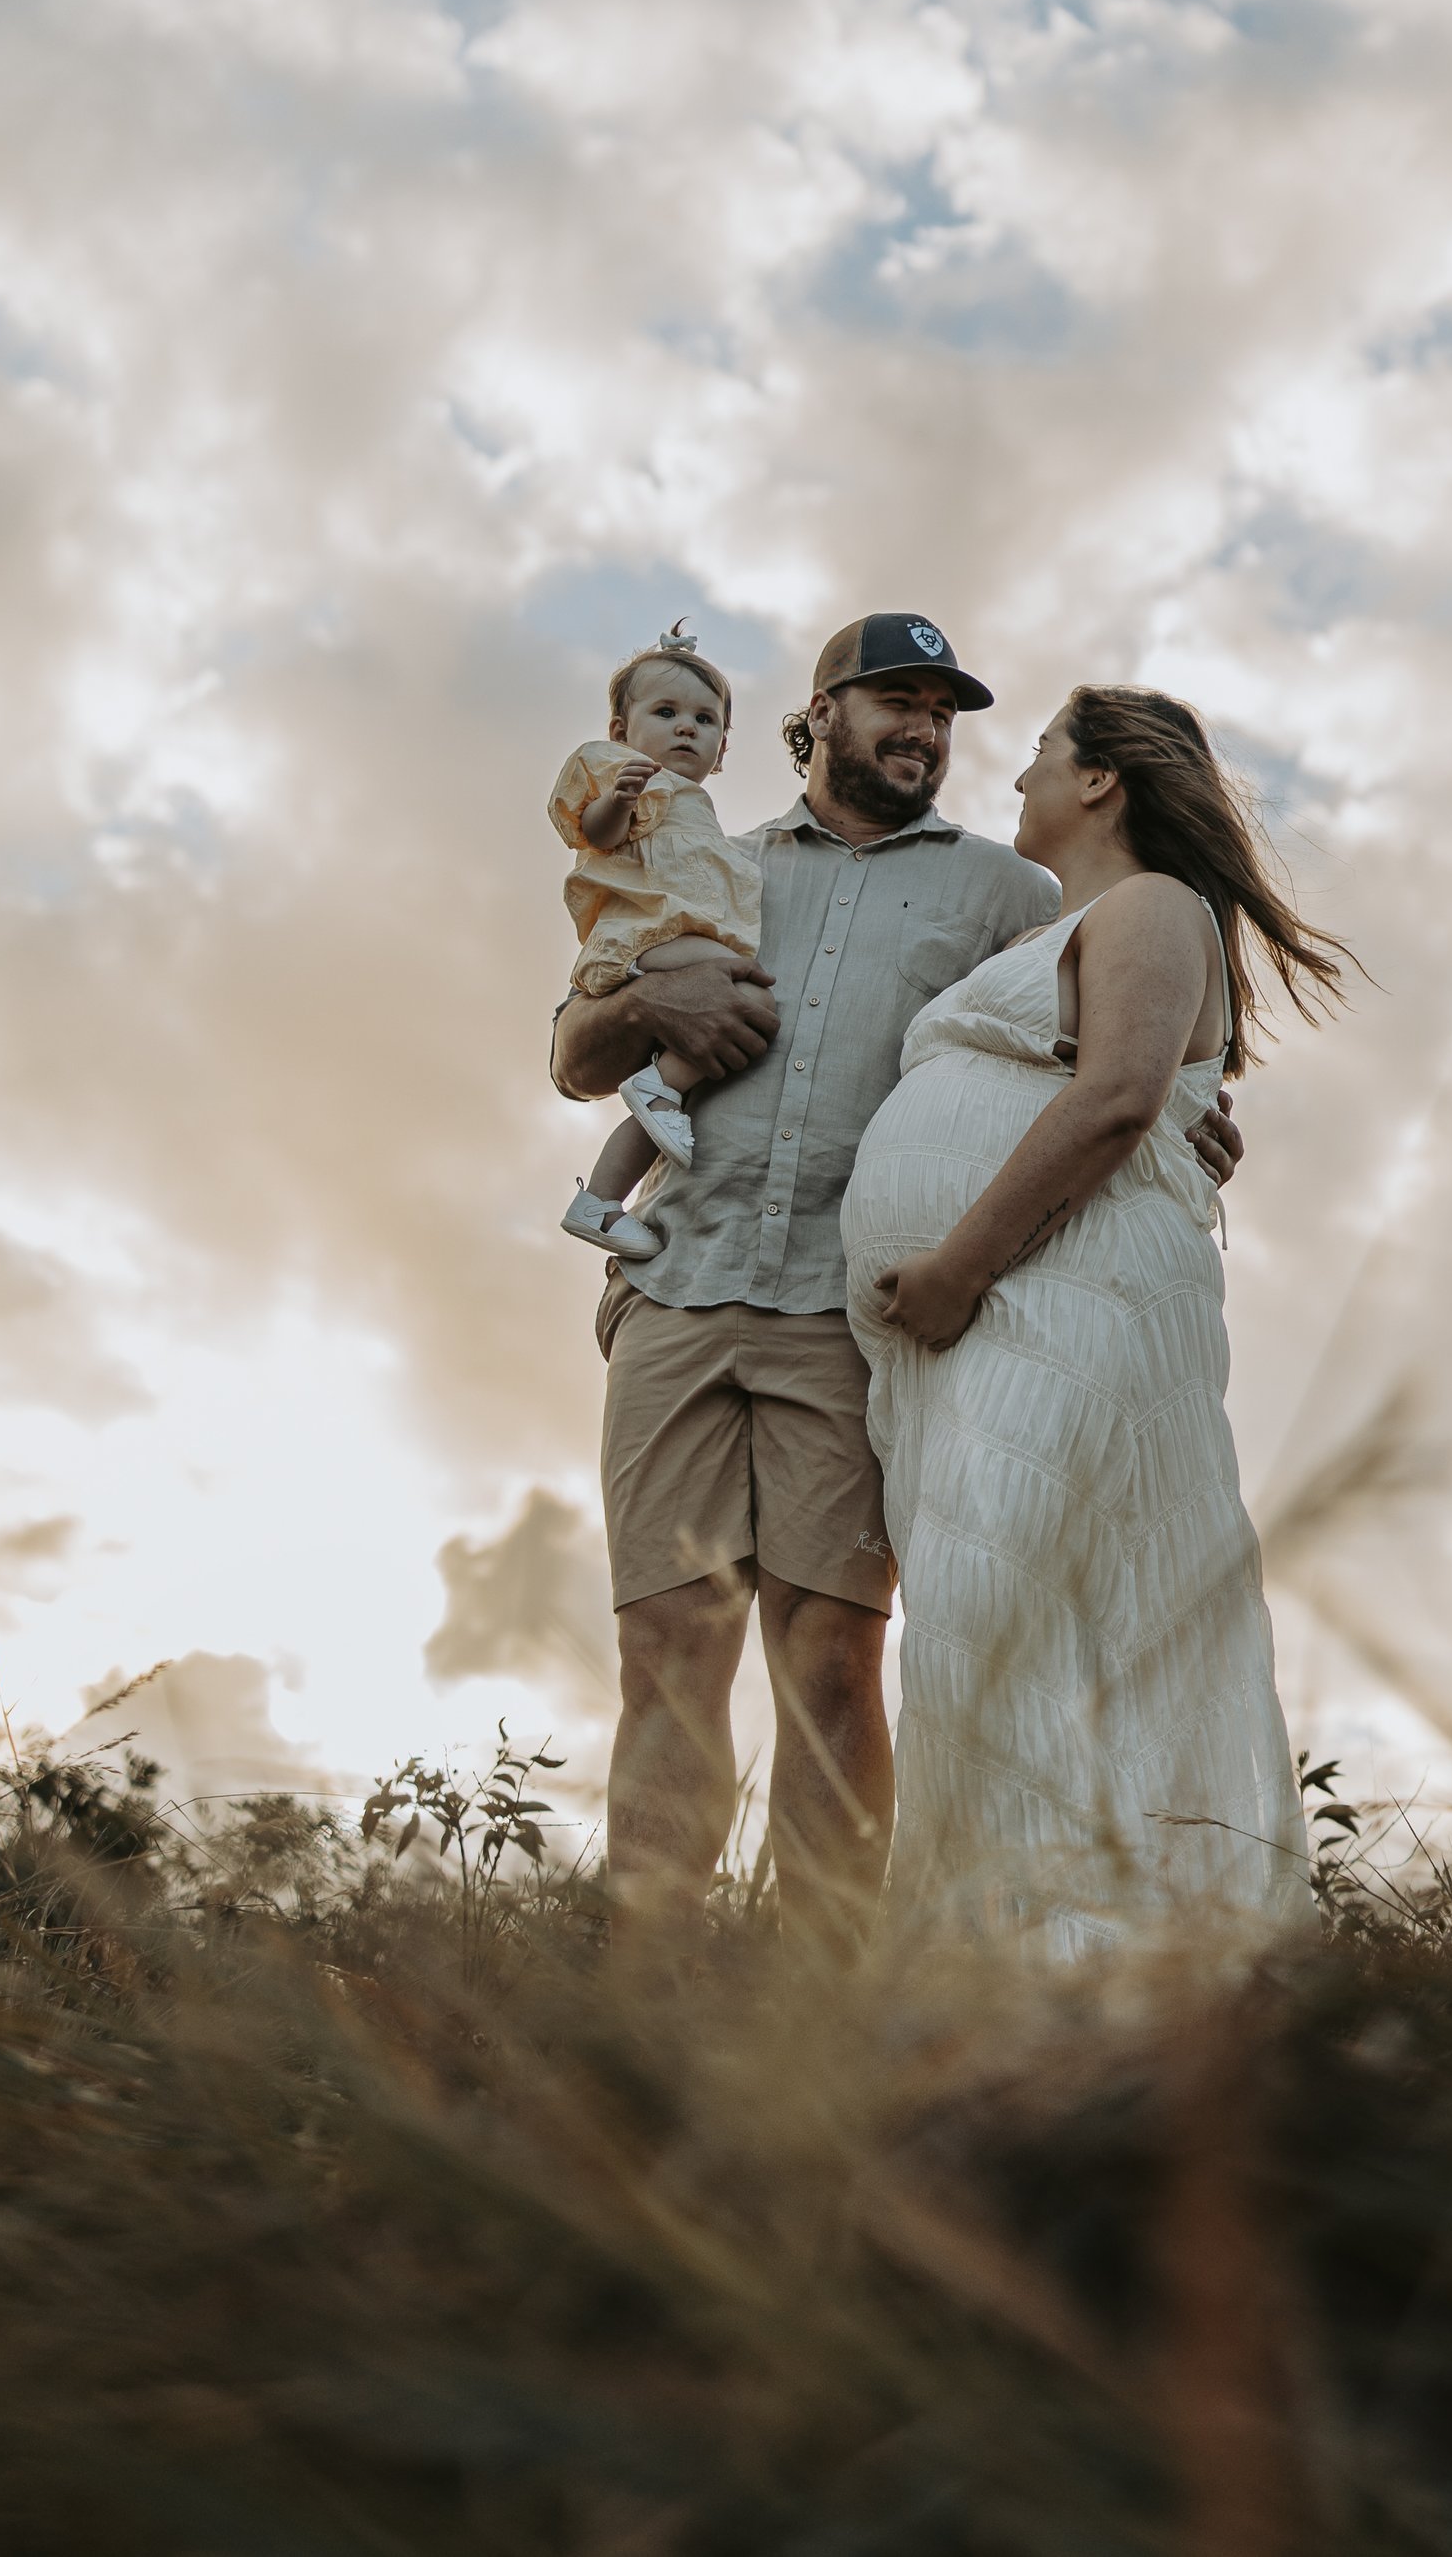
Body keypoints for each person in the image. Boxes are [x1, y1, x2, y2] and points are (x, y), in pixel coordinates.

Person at [548, 613, 1246, 1951]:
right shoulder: (709, 857)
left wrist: (1196, 1117)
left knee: (828, 1656)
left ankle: (816, 1990)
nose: (923, 726)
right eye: (894, 699)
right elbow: (578, 1047)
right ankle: (640, 1982)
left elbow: (1122, 1030)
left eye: (945, 708)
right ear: (819, 712)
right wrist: (655, 1012)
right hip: (679, 1292)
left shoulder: (1010, 894)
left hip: (851, 1319)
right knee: (669, 1652)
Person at [842, 686, 1350, 1945]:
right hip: (995, 1323)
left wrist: (958, 1264)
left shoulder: (1158, 905)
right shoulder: (1066, 928)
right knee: (990, 1630)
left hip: (1053, 1299)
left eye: (1035, 759)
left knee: (1011, 1625)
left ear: (1101, 781)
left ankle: (1073, 1971)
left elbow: (1120, 1094)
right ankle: (1014, 1971)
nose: (1013, 782)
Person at [549, 636, 760, 1262]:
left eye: (705, 720)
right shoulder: (628, 776)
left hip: (671, 943)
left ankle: (601, 1205)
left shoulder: (703, 811)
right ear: (621, 729)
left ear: (722, 748)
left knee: (675, 1099)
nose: (687, 729)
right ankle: (658, 1088)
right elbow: (595, 835)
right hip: (640, 942)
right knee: (741, 987)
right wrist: (619, 798)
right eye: (665, 713)